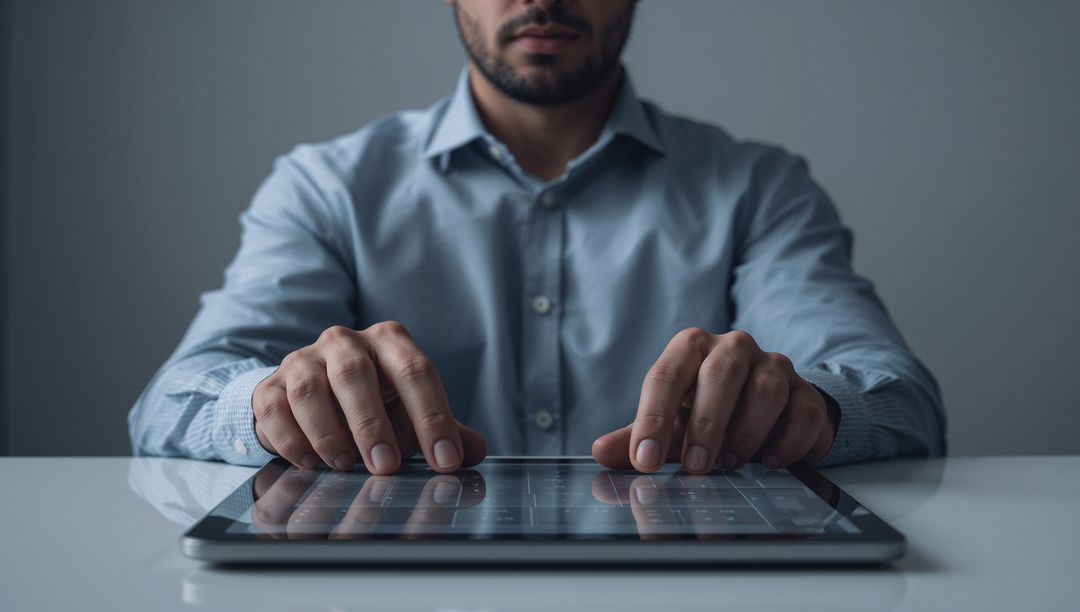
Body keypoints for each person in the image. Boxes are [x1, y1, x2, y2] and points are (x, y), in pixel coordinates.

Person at [128, 0, 945, 476]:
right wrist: (269, 403)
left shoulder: (759, 187)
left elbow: (898, 398)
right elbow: (174, 398)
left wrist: (812, 410)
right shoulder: (325, 187)